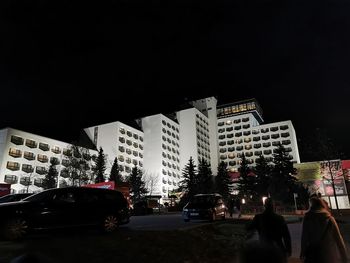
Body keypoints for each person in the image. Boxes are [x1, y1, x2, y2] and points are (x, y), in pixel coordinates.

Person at [300, 197, 347, 263]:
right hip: (329, 255)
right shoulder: (329, 218)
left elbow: (304, 237)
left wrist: (302, 252)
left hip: (313, 255)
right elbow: (339, 239)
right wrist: (344, 257)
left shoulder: (307, 219)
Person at [246, 198, 291, 263]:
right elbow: (286, 236)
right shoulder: (280, 218)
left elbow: (249, 229)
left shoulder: (258, 218)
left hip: (264, 249)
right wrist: (288, 250)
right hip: (278, 249)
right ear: (273, 206)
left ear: (264, 206)